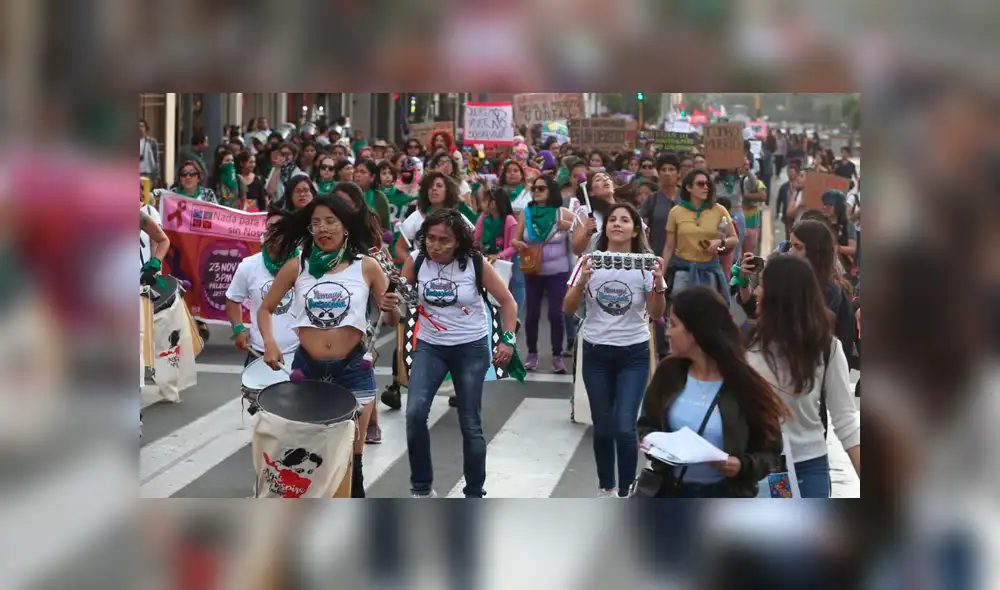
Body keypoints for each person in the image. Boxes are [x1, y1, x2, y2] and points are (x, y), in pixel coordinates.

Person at [258, 196, 393, 498]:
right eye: (316, 222)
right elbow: (265, 309)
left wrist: (392, 304)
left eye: (331, 221)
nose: (323, 228)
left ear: (346, 227)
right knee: (310, 453)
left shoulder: (367, 267)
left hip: (354, 370)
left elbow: (394, 312)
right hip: (308, 369)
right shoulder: (297, 267)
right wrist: (269, 343)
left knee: (352, 459)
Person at [396, 209, 519, 498]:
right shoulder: (415, 262)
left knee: (470, 421)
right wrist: (393, 303)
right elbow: (400, 310)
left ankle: (474, 492)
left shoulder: (475, 263)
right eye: (430, 239)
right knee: (414, 414)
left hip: (470, 347)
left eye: (444, 241)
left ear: (459, 242)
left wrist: (507, 340)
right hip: (430, 345)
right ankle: (422, 489)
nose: (435, 246)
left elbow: (508, 302)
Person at [637, 286, 788, 498]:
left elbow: (772, 454)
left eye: (674, 324)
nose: (668, 332)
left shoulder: (744, 384)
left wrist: (740, 466)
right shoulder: (668, 373)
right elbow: (646, 425)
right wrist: (655, 443)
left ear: (695, 331)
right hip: (671, 493)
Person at [563, 202, 666, 497]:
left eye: (625, 220)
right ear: (605, 228)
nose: (617, 224)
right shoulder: (588, 262)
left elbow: (657, 313)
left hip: (633, 352)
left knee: (624, 427)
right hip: (595, 352)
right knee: (603, 426)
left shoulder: (647, 264)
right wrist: (581, 282)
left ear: (636, 230)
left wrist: (658, 283)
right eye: (612, 220)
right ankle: (606, 488)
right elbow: (568, 308)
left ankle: (625, 491)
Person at [742, 255, 861, 497]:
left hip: (808, 468)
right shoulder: (747, 347)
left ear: (780, 296)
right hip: (756, 468)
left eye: (762, 285)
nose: (757, 292)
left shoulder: (827, 349)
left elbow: (846, 421)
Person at [225, 207, 300, 367]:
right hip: (261, 353)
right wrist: (239, 328)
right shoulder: (249, 265)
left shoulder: (305, 264)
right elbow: (233, 299)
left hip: (299, 354)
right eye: (270, 227)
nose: (273, 233)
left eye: (279, 229)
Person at [661, 169, 738, 305]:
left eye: (708, 184)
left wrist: (719, 242)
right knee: (680, 312)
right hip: (683, 271)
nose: (706, 187)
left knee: (707, 315)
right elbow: (669, 247)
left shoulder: (719, 210)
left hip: (709, 271)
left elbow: (734, 239)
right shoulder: (675, 212)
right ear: (689, 187)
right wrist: (661, 275)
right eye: (700, 184)